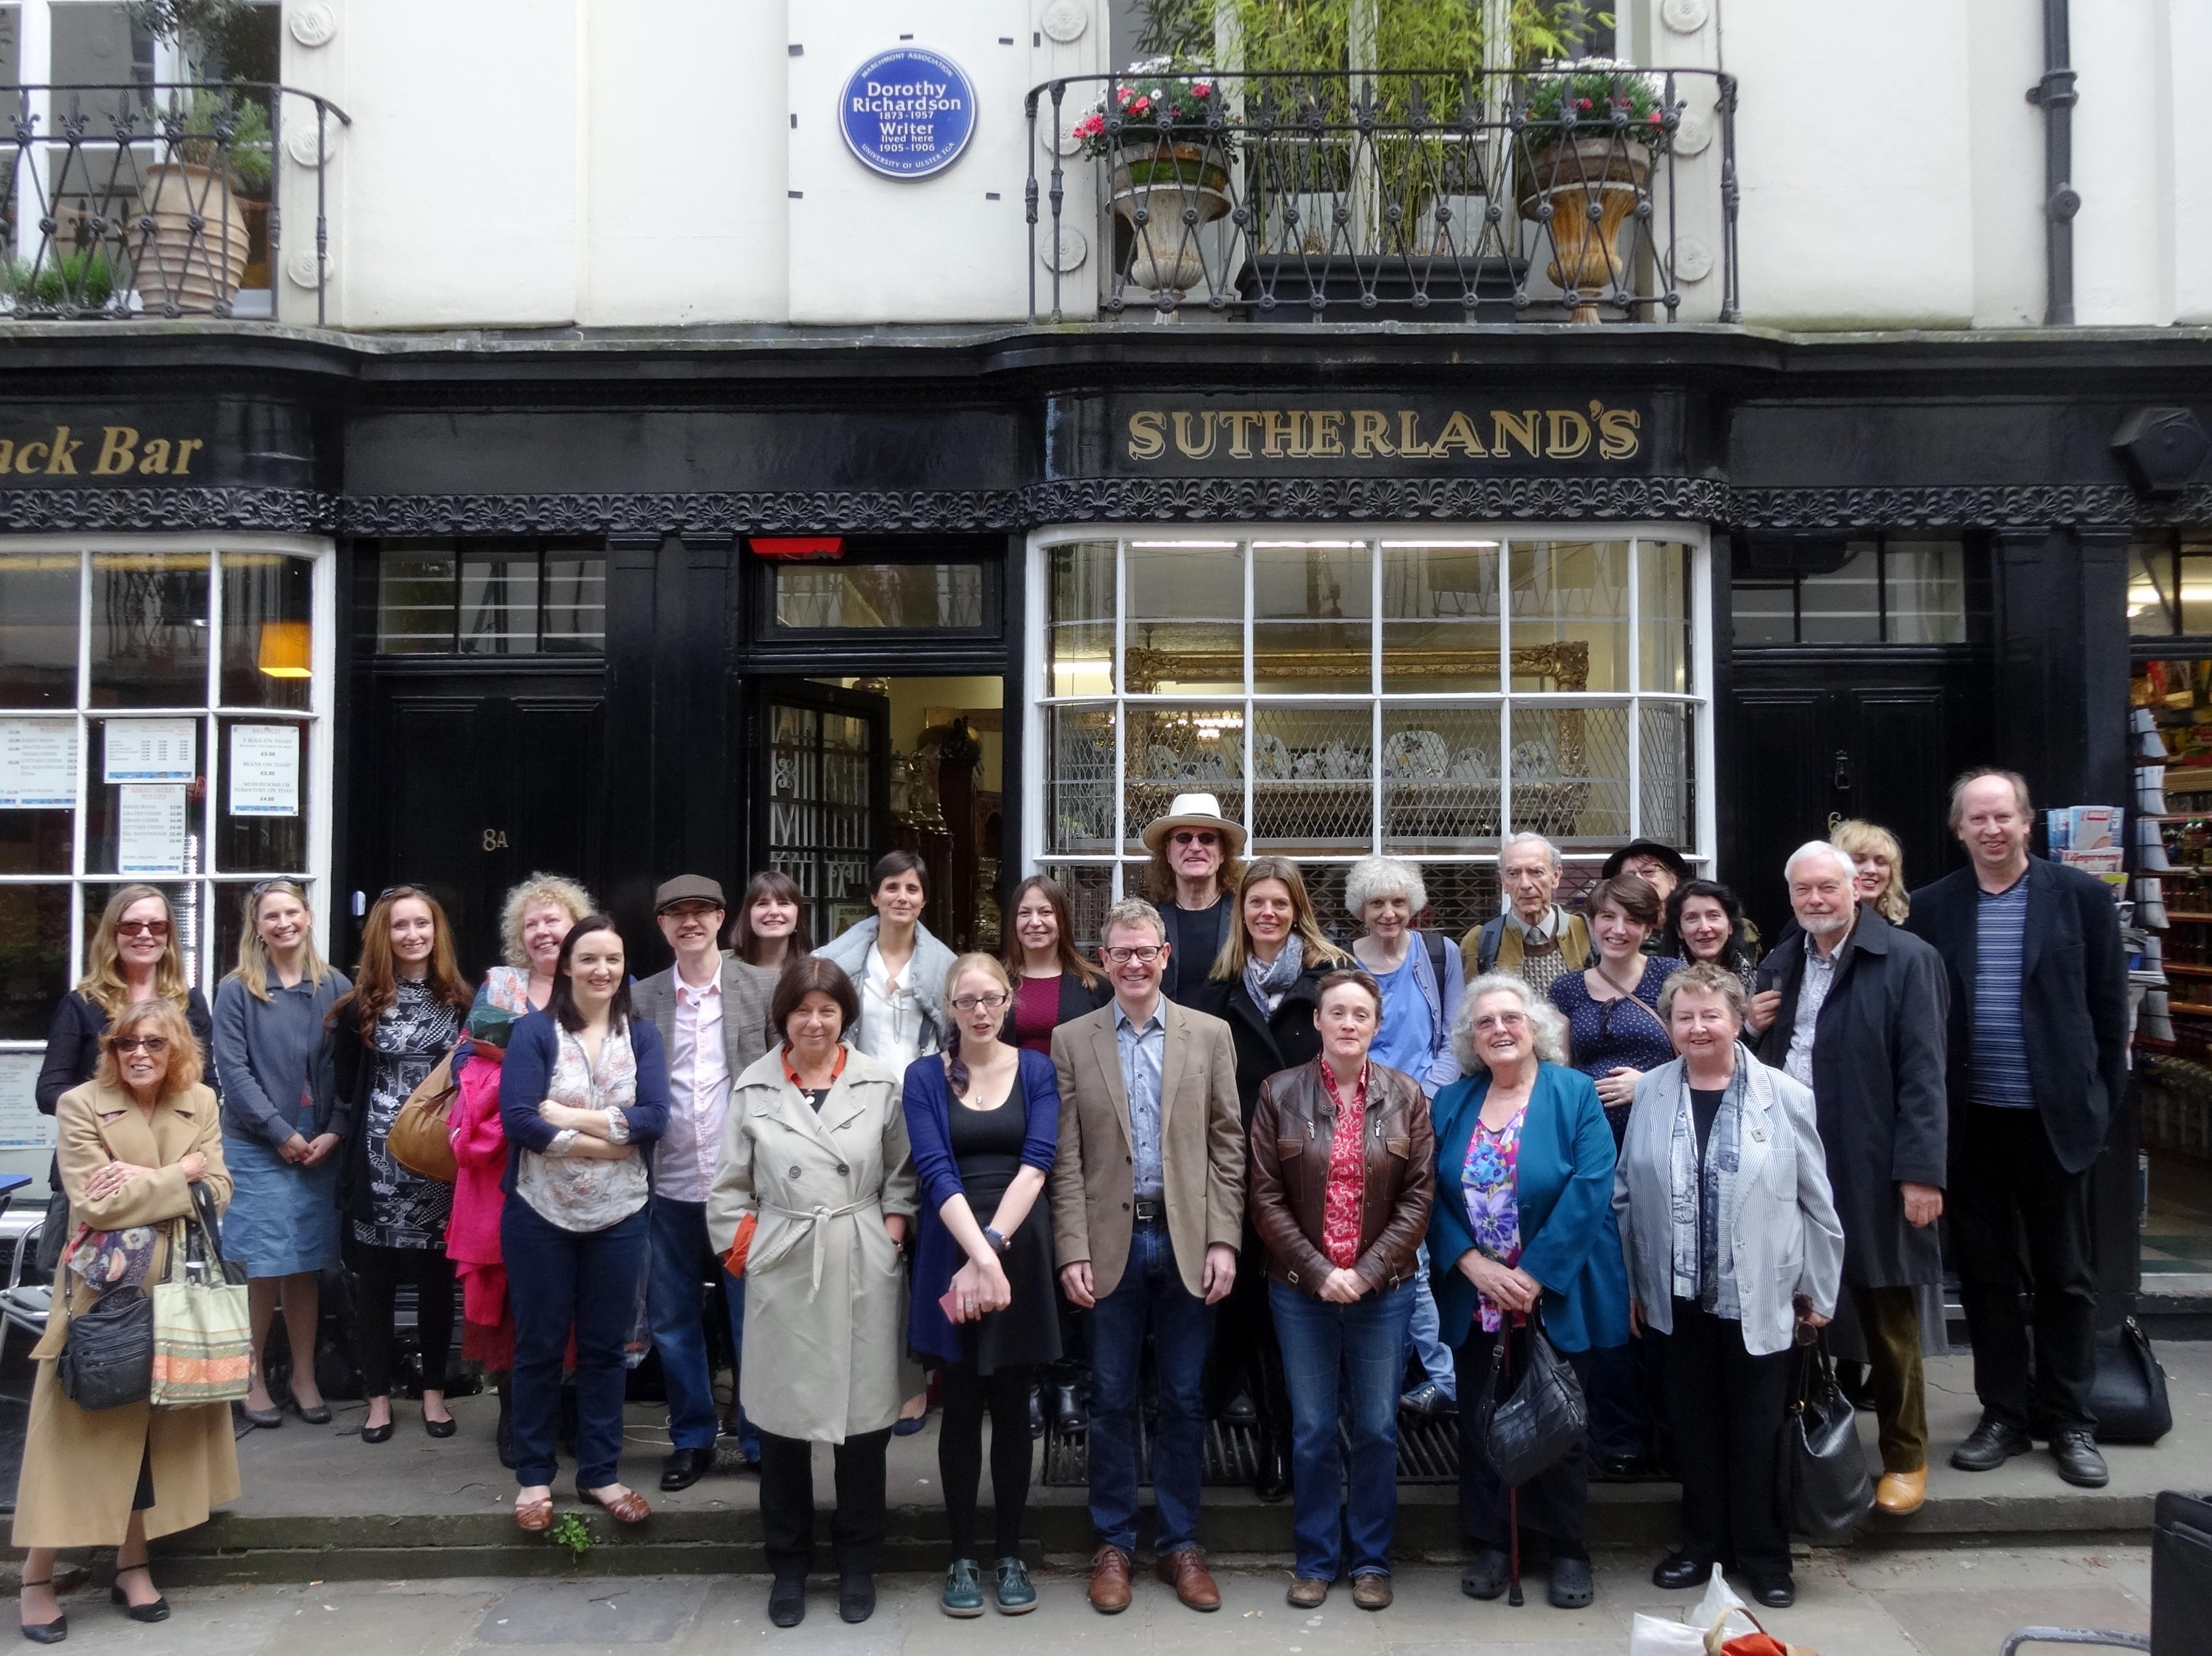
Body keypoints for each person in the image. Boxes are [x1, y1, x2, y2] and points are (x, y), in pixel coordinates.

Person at [1906, 768, 2128, 1491]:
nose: (1992, 830)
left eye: (2004, 817)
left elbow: (2107, 1018)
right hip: (1972, 1126)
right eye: (1979, 819)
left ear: (2028, 823)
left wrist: (2095, 1111)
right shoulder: (1935, 909)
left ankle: (2069, 1419)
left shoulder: (2083, 900)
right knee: (1987, 1278)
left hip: (2054, 1125)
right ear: (1960, 828)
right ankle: (2002, 1412)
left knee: (2066, 1276)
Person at [1615, 964, 1844, 1610]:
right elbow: (1627, 1196)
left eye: (1710, 1015)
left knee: (1756, 1428)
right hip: (1676, 1295)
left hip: (1762, 1294)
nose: (1696, 1028)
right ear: (1668, 1025)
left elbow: (1817, 1202)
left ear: (1738, 1020)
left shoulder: (1784, 1094)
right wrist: (1635, 1283)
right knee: (1692, 1427)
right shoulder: (1653, 1091)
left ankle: (1765, 1556)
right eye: (1683, 1017)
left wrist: (1818, 1289)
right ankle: (1701, 1546)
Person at [13, 998, 237, 1639]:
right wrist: (177, 1174)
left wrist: (146, 1180)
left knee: (151, 1435)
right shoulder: (81, 1104)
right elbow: (94, 1203)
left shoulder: (201, 1102)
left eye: (155, 1044)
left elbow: (218, 1189)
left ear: (178, 1051)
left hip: (177, 1291)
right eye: (125, 1044)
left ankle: (132, 1565)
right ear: (108, 1050)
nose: (139, 1053)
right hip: (98, 1296)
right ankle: (37, 1576)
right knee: (77, 1433)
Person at [709, 958, 919, 1629]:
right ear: (783, 1017)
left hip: (859, 1258)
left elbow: (902, 1172)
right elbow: (726, 1190)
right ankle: (789, 1565)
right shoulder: (754, 1086)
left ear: (844, 1015)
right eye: (802, 1009)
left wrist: (889, 1233)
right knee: (782, 1428)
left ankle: (858, 1563)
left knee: (864, 1429)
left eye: (828, 1009)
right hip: (785, 1261)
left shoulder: (879, 1083)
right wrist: (753, 1254)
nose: (815, 1021)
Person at [1051, 896, 1244, 1616]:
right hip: (1110, 1241)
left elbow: (1230, 1144)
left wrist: (1225, 1238)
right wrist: (1071, 1246)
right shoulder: (1073, 1041)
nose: (1135, 963)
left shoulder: (1210, 1035)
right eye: (1121, 952)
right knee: (1109, 1399)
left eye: (1147, 951)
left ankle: (1181, 1542)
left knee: (1187, 1399)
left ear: (1167, 957)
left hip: (1189, 1237)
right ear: (1105, 962)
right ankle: (1113, 1546)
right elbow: (1065, 1158)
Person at [1749, 843, 1948, 1516]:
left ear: (1854, 889)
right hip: (1789, 1159)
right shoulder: (1780, 962)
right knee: (1796, 1312)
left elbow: (1925, 1075)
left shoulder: (1906, 960)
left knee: (1884, 1310)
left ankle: (1905, 1457)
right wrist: (1749, 1030)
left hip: (1868, 1158)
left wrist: (1921, 1172)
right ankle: (1809, 1449)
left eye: (1826, 888)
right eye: (1801, 890)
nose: (1814, 900)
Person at [1429, 974, 1626, 1612]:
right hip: (1477, 1292)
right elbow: (1427, 1193)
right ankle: (1492, 1540)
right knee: (1483, 1420)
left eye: (1511, 1018)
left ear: (1534, 1027)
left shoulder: (1572, 1094)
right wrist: (1469, 1263)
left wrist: (1533, 1276)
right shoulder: (1452, 1102)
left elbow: (1592, 1186)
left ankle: (1566, 1547)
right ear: (1471, 1039)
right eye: (1485, 1022)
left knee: (1558, 1419)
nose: (1500, 1030)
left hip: (1554, 1290)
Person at [1248, 969, 1434, 1611]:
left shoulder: (1406, 1095)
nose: (1349, 1024)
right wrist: (1321, 1271)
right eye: (1337, 1013)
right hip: (1300, 1289)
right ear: (1318, 1022)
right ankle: (1316, 1559)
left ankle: (1372, 1562)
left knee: (1380, 1427)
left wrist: (1367, 1271)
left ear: (1376, 1025)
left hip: (1382, 1291)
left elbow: (1418, 1199)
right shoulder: (1279, 1093)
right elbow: (1264, 1197)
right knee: (1312, 1428)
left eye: (1361, 1014)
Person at [498, 915, 669, 1534]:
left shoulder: (641, 1038)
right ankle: (534, 1478)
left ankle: (600, 1473)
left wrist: (565, 1118)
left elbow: (653, 1118)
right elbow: (519, 1119)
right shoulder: (534, 1033)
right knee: (540, 1347)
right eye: (589, 959)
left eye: (614, 960)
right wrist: (604, 1139)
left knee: (604, 1350)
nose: (602, 971)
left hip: (619, 1215)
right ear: (566, 965)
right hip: (539, 1213)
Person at [904, 954, 1059, 1618]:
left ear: (1009, 1000)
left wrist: (990, 1253)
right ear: (949, 1005)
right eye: (966, 1000)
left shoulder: (1037, 1070)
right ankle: (961, 1555)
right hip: (950, 1242)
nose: (979, 1010)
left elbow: (1038, 1163)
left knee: (1015, 1408)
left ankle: (1009, 1553)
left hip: (1015, 1244)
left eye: (990, 998)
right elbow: (935, 1169)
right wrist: (975, 1255)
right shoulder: (923, 1077)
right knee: (961, 1406)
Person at [1195, 855, 1350, 1501]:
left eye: (1279, 904)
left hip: (1312, 1169)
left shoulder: (1331, 979)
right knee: (1251, 1316)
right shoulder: (1215, 988)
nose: (1267, 913)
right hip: (1238, 1170)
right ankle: (1270, 1446)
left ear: (1297, 911)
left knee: (1310, 1314)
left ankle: (1312, 1445)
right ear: (1242, 911)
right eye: (1256, 902)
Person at [632, 874, 778, 1489]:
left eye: (701, 912)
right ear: (661, 925)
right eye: (675, 914)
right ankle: (691, 1438)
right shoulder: (640, 998)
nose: (689, 923)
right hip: (665, 1184)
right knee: (671, 1319)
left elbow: (786, 1075)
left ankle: (757, 1436)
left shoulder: (762, 987)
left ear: (722, 920)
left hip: (741, 1187)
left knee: (753, 1317)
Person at [452, 872, 593, 1466]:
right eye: (532, 922)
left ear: (575, 925)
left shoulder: (599, 977)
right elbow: (465, 1056)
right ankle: (516, 1414)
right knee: (512, 1294)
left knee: (579, 1291)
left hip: (585, 1163)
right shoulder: (504, 987)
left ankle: (569, 1414)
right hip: (507, 1166)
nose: (543, 930)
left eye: (553, 919)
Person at [331, 887, 474, 1445]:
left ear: (436, 933)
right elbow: (345, 1085)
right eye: (399, 926)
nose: (412, 934)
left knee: (437, 1281)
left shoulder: (462, 1001)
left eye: (422, 924)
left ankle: (434, 1395)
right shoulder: (358, 1006)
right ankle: (378, 1401)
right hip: (377, 1164)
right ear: (382, 936)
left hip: (438, 1161)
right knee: (377, 1286)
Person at [210, 880, 349, 1429]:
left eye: (293, 911)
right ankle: (250, 1377)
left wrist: (334, 1129)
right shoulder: (237, 989)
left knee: (305, 1266)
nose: (284, 923)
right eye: (272, 915)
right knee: (262, 1264)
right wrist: (278, 1132)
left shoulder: (335, 985)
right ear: (258, 925)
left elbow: (349, 1071)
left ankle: (303, 1375)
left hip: (318, 1144)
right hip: (256, 1145)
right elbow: (233, 1072)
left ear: (308, 916)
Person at [1344, 855, 1462, 1417]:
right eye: (1376, 904)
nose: (1388, 914)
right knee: (1384, 1243)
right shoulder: (1342, 963)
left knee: (1412, 1243)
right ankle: (1405, 1377)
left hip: (1425, 1117)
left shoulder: (1439, 956)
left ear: (1413, 906)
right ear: (1360, 910)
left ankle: (1431, 1375)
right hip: (1361, 1122)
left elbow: (1454, 1041)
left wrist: (1417, 1101)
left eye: (1397, 903)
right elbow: (1344, 1041)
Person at [1000, 872, 1110, 1436]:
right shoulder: (997, 984)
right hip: (1012, 1140)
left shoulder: (1091, 984)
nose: (1035, 922)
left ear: (1062, 920)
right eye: (1025, 913)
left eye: (1045, 912)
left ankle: (1070, 1380)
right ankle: (1032, 1380)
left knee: (1072, 1258)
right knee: (1024, 1259)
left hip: (1079, 1138)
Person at [35, 884, 216, 1127]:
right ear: (113, 934)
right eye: (131, 926)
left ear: (168, 936)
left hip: (170, 1148)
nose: (144, 934)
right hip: (98, 1148)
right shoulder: (81, 1005)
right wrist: (107, 1114)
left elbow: (206, 1084)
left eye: (157, 926)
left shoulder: (190, 1003)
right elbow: (49, 1092)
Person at [1549, 876, 1685, 1142]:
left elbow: (1700, 1055)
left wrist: (1649, 1085)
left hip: (1661, 1131)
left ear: (1648, 930)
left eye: (1632, 920)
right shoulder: (1566, 988)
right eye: (1608, 917)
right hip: (1589, 1135)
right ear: (1591, 923)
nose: (1618, 929)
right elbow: (1557, 1070)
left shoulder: (1670, 976)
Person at [814, 850, 955, 1072]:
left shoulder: (947, 967)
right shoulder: (837, 964)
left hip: (922, 1095)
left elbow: (955, 1038)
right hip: (856, 1091)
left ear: (923, 900)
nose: (902, 897)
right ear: (874, 897)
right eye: (892, 887)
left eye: (912, 889)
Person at [1142, 792, 1246, 1005]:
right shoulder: (1148, 920)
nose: (1195, 847)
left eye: (1207, 838)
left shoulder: (1244, 916)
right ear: (1168, 853)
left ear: (1223, 853)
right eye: (1184, 838)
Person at [1462, 832, 1592, 993]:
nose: (1525, 884)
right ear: (1503, 881)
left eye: (1536, 872)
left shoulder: (1588, 932)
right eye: (1513, 874)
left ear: (1556, 876)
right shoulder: (1479, 941)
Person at [1662, 880, 1759, 995]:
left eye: (1713, 916)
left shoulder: (1757, 983)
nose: (1704, 928)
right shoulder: (1660, 981)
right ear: (1680, 930)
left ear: (1730, 926)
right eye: (1692, 918)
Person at [1834, 818, 1911, 925]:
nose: (1871, 870)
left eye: (1881, 862)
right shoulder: (1821, 922)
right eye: (1859, 860)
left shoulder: (1908, 923)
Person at [729, 871, 810, 973]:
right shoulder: (721, 966)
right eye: (763, 904)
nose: (774, 912)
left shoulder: (811, 972)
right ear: (748, 914)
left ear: (798, 913)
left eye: (783, 903)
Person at [1600, 838, 1689, 906]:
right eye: (1630, 877)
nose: (1639, 879)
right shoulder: (1619, 928)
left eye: (1648, 871)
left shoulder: (1693, 923)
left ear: (1672, 880)